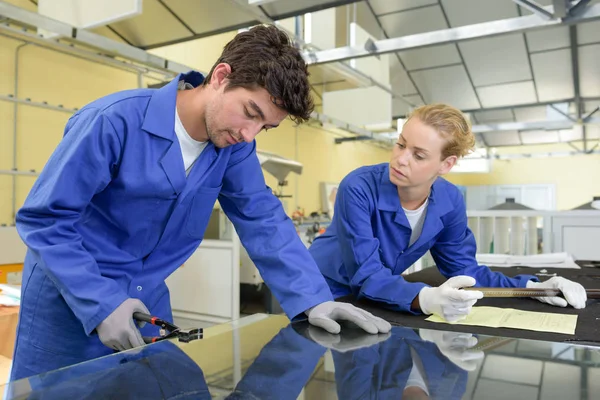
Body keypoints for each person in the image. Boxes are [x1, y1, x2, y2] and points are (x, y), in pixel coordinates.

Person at [10, 24, 390, 381]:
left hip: (146, 301)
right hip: (69, 299)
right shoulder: (113, 121)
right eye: (250, 113)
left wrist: (313, 300)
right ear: (221, 77)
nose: (249, 134)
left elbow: (262, 219)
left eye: (265, 127)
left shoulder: (234, 149)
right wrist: (100, 301)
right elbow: (45, 220)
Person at [309, 103, 587, 322]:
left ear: (446, 164)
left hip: (378, 294)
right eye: (401, 144)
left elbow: (464, 270)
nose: (401, 159)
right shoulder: (358, 187)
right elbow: (366, 273)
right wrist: (426, 298)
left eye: (418, 155)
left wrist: (533, 287)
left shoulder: (450, 200)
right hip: (320, 289)